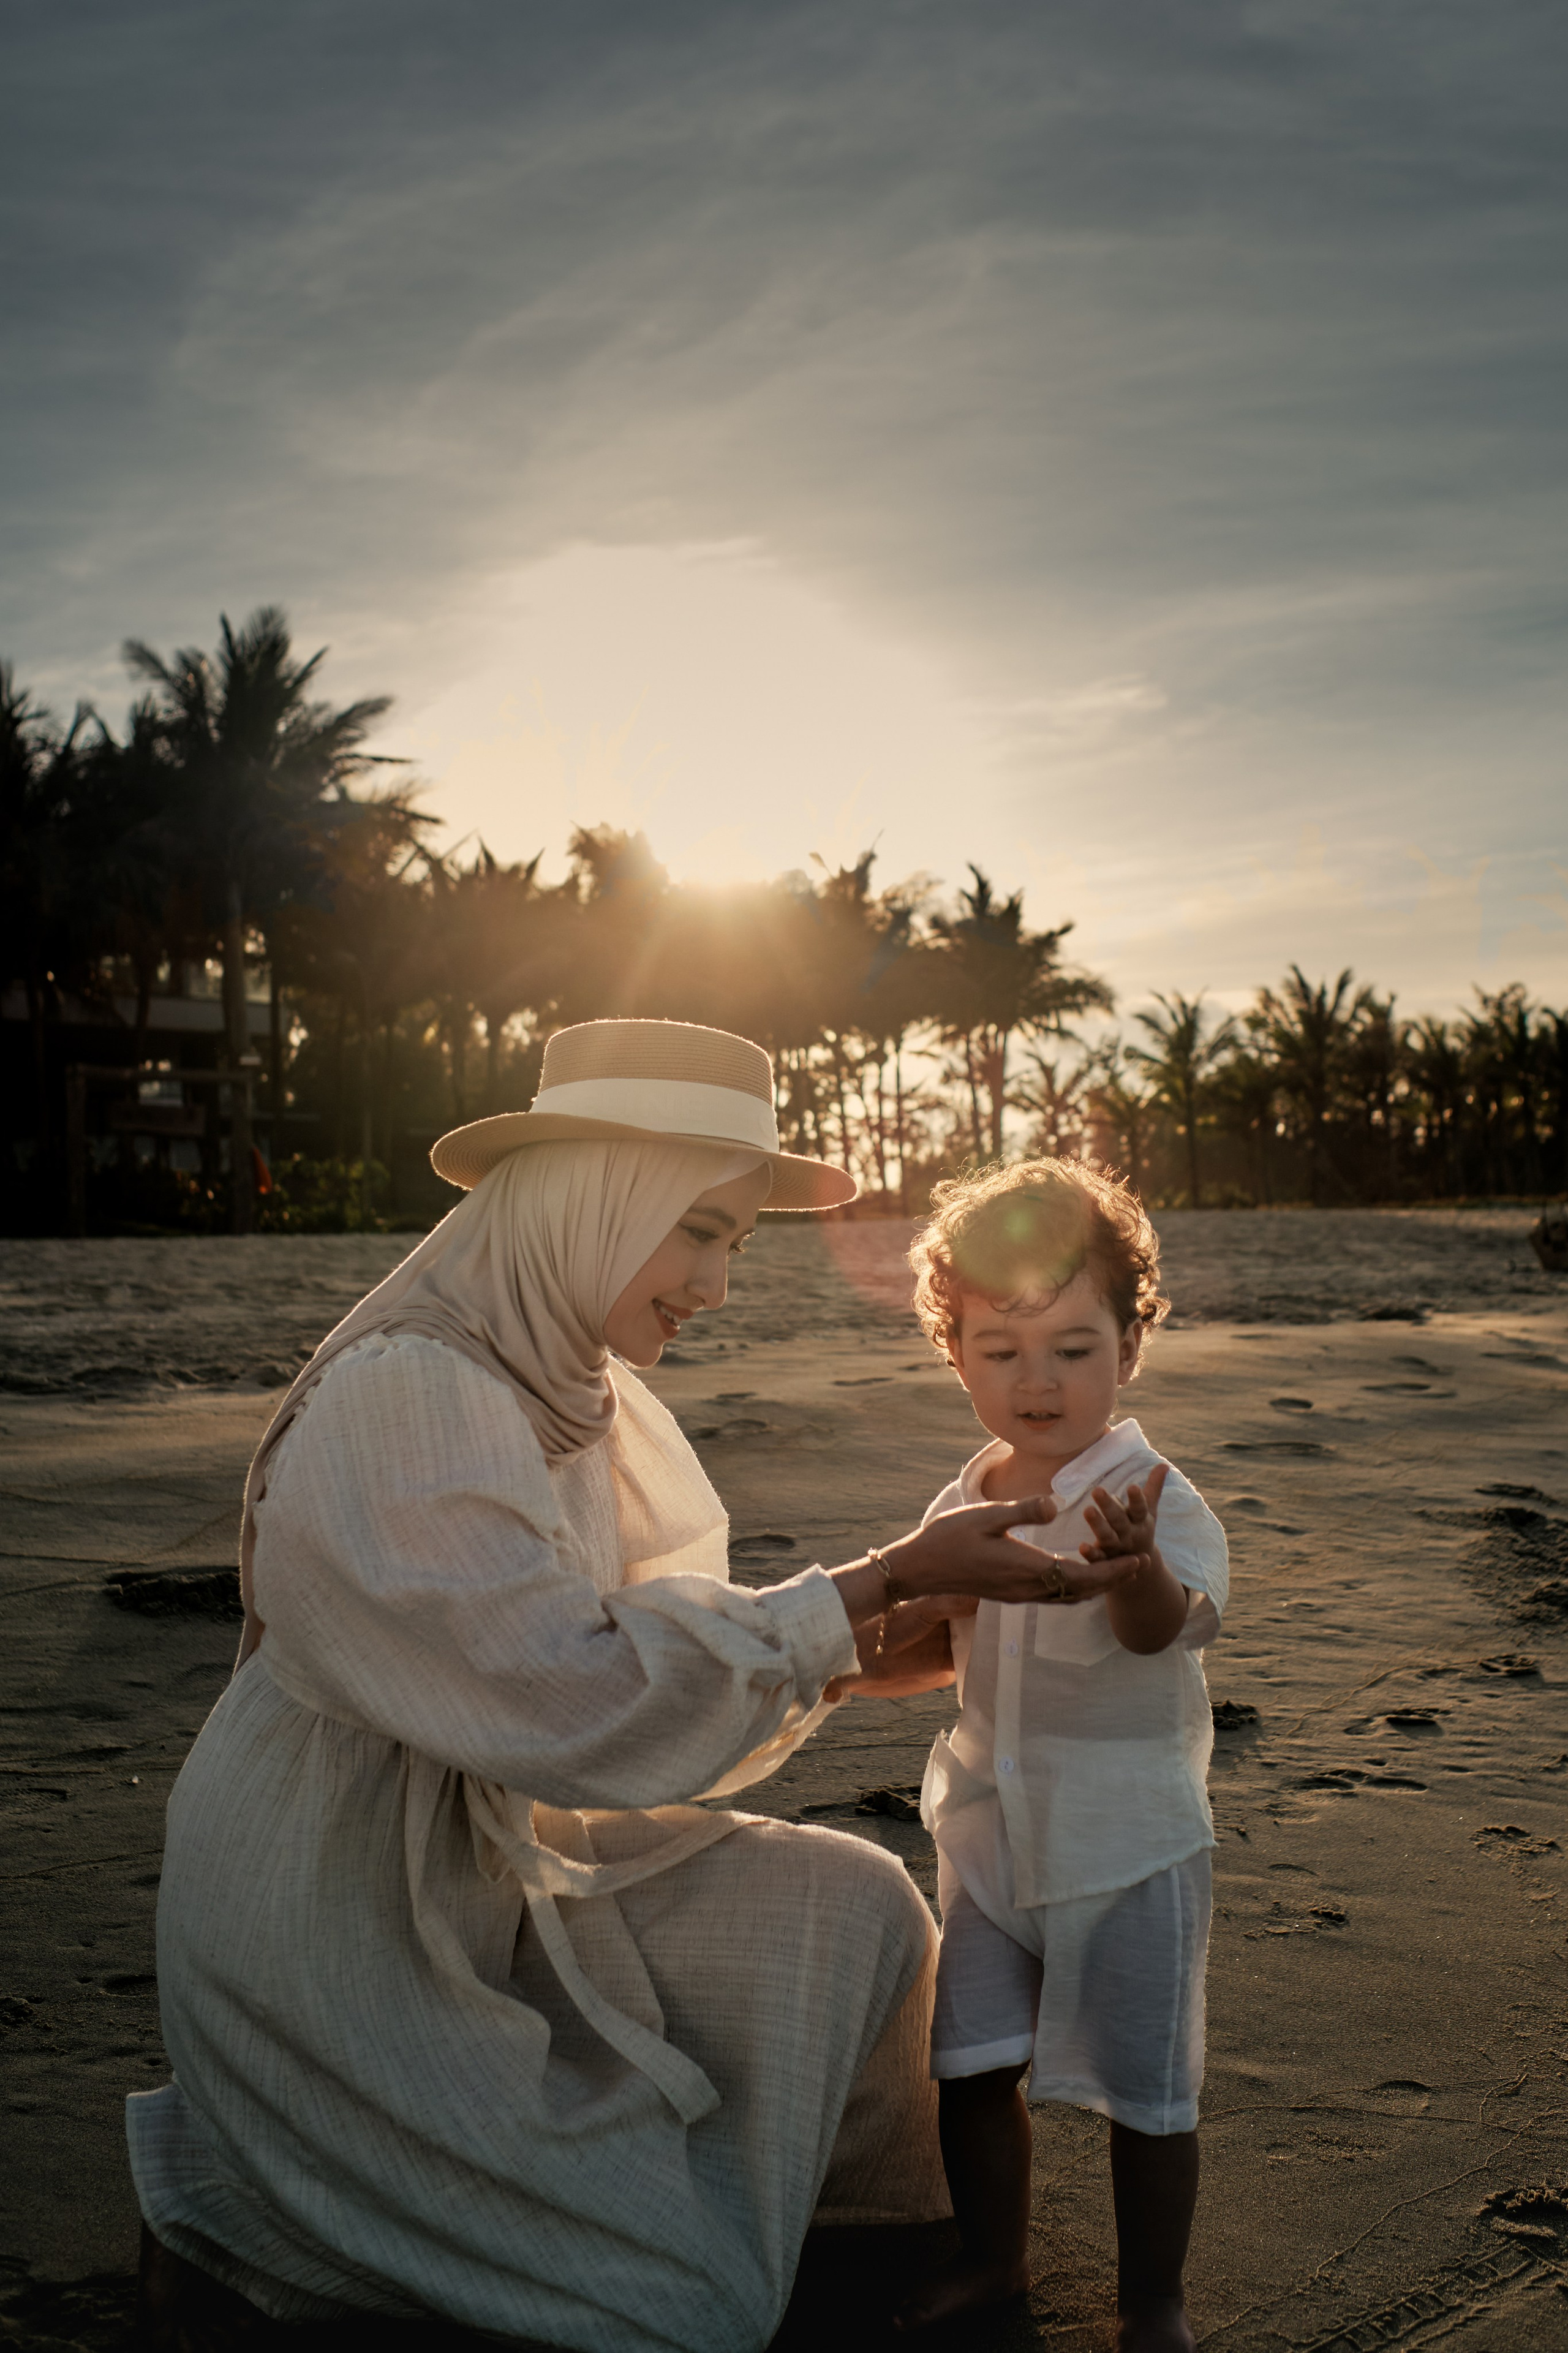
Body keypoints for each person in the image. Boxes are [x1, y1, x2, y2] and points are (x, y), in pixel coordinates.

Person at [129, 1020, 1152, 2353]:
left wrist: (857, 1657)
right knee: (684, 2307)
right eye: (699, 1232)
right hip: (338, 1918)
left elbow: (627, 1642)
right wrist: (876, 1583)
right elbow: (571, 1701)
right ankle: (239, 2193)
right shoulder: (411, 1395)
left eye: (733, 1241)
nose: (716, 1286)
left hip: (493, 1848)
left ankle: (779, 2217)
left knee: (858, 1911)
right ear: (592, 1198)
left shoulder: (561, 1377)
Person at [873, 1158, 1228, 2349]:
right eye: (1001, 1348)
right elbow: (935, 1640)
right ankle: (992, 2257)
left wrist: (1135, 1573)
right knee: (969, 2067)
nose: (1038, 1381)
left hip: (1127, 1841)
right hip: (986, 1831)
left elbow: (1159, 1635)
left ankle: (1152, 2301)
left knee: (1148, 2094)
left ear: (1129, 1343)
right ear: (954, 1348)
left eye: (1074, 1347)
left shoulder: (1154, 1494)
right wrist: (857, 1636)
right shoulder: (962, 1493)